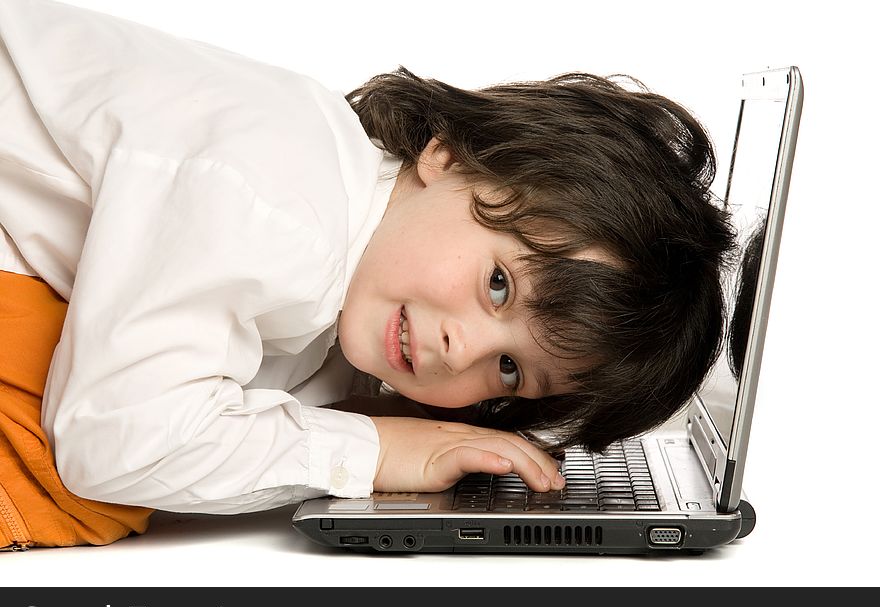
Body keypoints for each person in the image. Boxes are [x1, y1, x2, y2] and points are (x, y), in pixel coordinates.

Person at [0, 0, 735, 549]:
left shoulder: (355, 248)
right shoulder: (282, 210)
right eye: (500, 285)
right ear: (449, 156)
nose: (461, 347)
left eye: (510, 369)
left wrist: (384, 417)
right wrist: (377, 449)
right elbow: (113, 446)